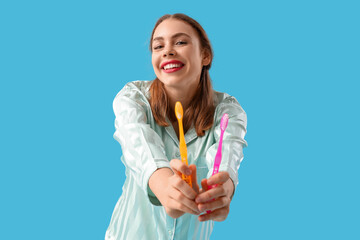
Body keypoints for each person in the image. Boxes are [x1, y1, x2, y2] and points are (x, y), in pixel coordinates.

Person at [105, 13, 247, 240]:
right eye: (158, 46)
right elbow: (137, 143)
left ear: (205, 55)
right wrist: (162, 184)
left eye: (180, 42)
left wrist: (224, 189)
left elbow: (228, 154)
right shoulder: (133, 98)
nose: (167, 51)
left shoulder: (227, 111)